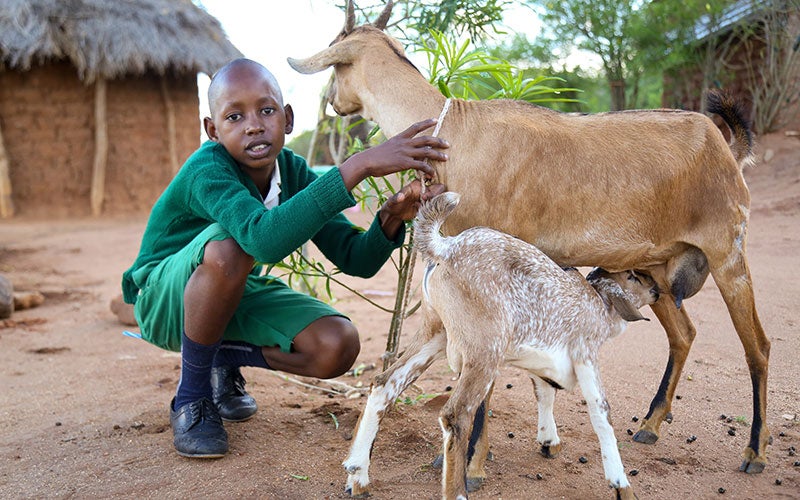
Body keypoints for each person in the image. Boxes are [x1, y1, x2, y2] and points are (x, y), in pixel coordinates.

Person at [121, 58, 448, 458]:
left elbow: (354, 258)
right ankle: (191, 397)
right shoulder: (207, 169)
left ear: (287, 119)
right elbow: (263, 240)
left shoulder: (292, 172)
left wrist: (392, 215)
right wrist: (359, 164)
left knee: (335, 344)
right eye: (234, 116)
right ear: (212, 130)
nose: (254, 125)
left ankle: (220, 359)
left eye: (267, 110)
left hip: (227, 294)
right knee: (231, 245)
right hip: (163, 299)